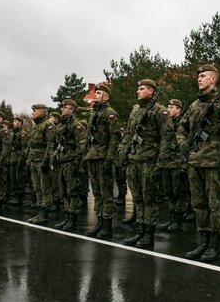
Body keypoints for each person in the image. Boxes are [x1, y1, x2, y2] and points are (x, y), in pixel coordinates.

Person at [177, 64, 220, 261]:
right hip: (195, 161)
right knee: (198, 204)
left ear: (213, 79)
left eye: (203, 76)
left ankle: (214, 244)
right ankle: (203, 241)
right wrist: (182, 144)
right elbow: (182, 128)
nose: (199, 79)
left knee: (215, 204)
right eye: (198, 76)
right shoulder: (194, 106)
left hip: (215, 162)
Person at [116, 79, 172, 248]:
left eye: (141, 89)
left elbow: (167, 138)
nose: (138, 91)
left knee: (149, 200)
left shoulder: (160, 111)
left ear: (151, 91)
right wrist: (121, 150)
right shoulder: (135, 110)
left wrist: (160, 163)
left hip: (149, 161)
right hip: (134, 160)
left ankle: (148, 235)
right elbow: (128, 133)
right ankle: (140, 231)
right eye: (138, 88)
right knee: (138, 199)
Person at [84, 83, 121, 239]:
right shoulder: (95, 113)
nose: (95, 95)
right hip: (93, 156)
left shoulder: (110, 113)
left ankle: (107, 226)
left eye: (98, 93)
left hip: (104, 155)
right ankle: (99, 222)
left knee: (106, 193)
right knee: (97, 192)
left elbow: (114, 138)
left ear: (106, 96)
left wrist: (110, 158)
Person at [52, 99, 87, 231]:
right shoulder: (62, 126)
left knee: (72, 192)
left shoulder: (76, 126)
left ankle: (72, 220)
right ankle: (67, 217)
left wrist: (76, 165)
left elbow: (81, 146)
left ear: (72, 109)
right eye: (62, 107)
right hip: (62, 162)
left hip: (71, 162)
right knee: (64, 192)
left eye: (65, 107)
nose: (62, 109)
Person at [157, 99, 190, 233]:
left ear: (179, 110)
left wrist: (185, 164)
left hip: (178, 163)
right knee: (169, 193)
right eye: (168, 107)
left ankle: (178, 221)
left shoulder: (183, 125)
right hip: (167, 163)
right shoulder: (167, 123)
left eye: (172, 107)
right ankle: (172, 218)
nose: (169, 109)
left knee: (179, 193)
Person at [25, 104, 55, 224]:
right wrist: (29, 159)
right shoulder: (35, 126)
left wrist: (46, 161)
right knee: (37, 188)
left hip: (42, 161)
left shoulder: (48, 125)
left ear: (42, 112)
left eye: (35, 111)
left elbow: (50, 144)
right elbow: (31, 145)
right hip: (34, 160)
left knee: (45, 188)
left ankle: (44, 214)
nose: (32, 113)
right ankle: (40, 212)